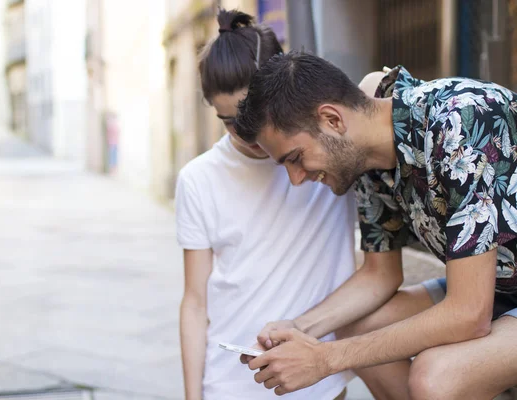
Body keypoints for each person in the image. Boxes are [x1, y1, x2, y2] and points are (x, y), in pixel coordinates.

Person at [234, 51, 517, 399]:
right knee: (355, 324)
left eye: (295, 158)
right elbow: (379, 275)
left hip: (484, 295)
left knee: (437, 378)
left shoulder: (461, 120)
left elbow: (468, 313)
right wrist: (299, 327)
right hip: (498, 286)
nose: (296, 179)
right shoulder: (366, 160)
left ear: (332, 120)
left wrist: (324, 359)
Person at [175, 11, 356, 400]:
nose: (244, 131)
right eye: (227, 121)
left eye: (247, 113)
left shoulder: (325, 154)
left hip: (317, 380)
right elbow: (194, 301)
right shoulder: (198, 178)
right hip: (230, 382)